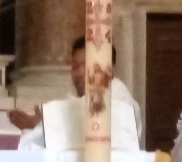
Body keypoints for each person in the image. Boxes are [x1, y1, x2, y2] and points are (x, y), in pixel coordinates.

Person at [8, 36, 144, 141]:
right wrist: (38, 126)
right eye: (75, 66)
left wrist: (48, 124)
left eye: (87, 66)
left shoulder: (121, 102)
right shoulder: (72, 99)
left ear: (109, 70)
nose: (79, 73)